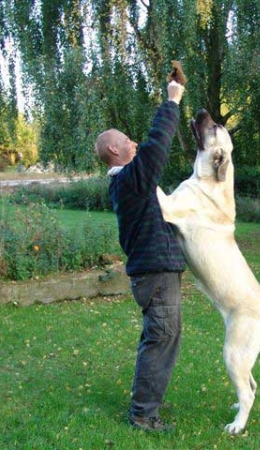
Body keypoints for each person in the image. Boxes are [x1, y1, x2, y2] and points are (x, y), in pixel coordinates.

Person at [94, 78, 186, 432]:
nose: (134, 142)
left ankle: (147, 406)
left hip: (156, 274)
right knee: (160, 338)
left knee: (162, 337)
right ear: (115, 151)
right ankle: (144, 415)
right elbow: (156, 146)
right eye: (127, 141)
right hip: (156, 276)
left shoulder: (130, 183)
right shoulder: (130, 179)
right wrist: (172, 101)